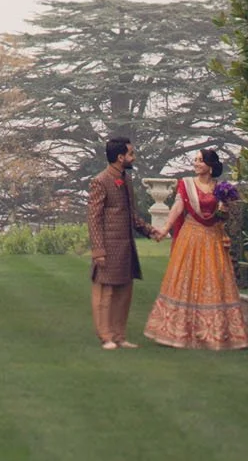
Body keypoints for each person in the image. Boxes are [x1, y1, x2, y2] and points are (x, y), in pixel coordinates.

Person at [143, 147, 248, 350]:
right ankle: (180, 330)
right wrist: (165, 228)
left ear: (210, 166)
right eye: (195, 160)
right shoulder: (186, 184)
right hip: (191, 236)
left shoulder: (220, 188)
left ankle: (215, 332)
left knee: (214, 280)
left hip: (213, 238)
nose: (196, 163)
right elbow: (178, 208)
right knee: (186, 278)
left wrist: (224, 210)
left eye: (200, 160)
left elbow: (223, 218)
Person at [86, 136, 156, 350]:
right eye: (131, 154)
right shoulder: (100, 181)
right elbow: (94, 218)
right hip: (108, 246)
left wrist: (150, 231)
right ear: (120, 157)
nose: (133, 157)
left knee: (124, 293)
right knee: (105, 292)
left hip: (126, 247)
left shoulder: (126, 179)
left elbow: (131, 215)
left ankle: (119, 335)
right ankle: (105, 336)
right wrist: (98, 250)